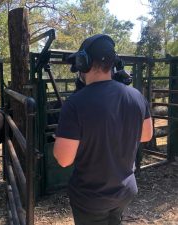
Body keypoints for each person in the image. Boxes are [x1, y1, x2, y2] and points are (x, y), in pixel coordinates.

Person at [53, 34, 153, 225]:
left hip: (91, 198)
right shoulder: (136, 96)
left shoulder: (74, 103)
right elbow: (146, 135)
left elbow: (64, 159)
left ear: (84, 62)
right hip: (125, 191)